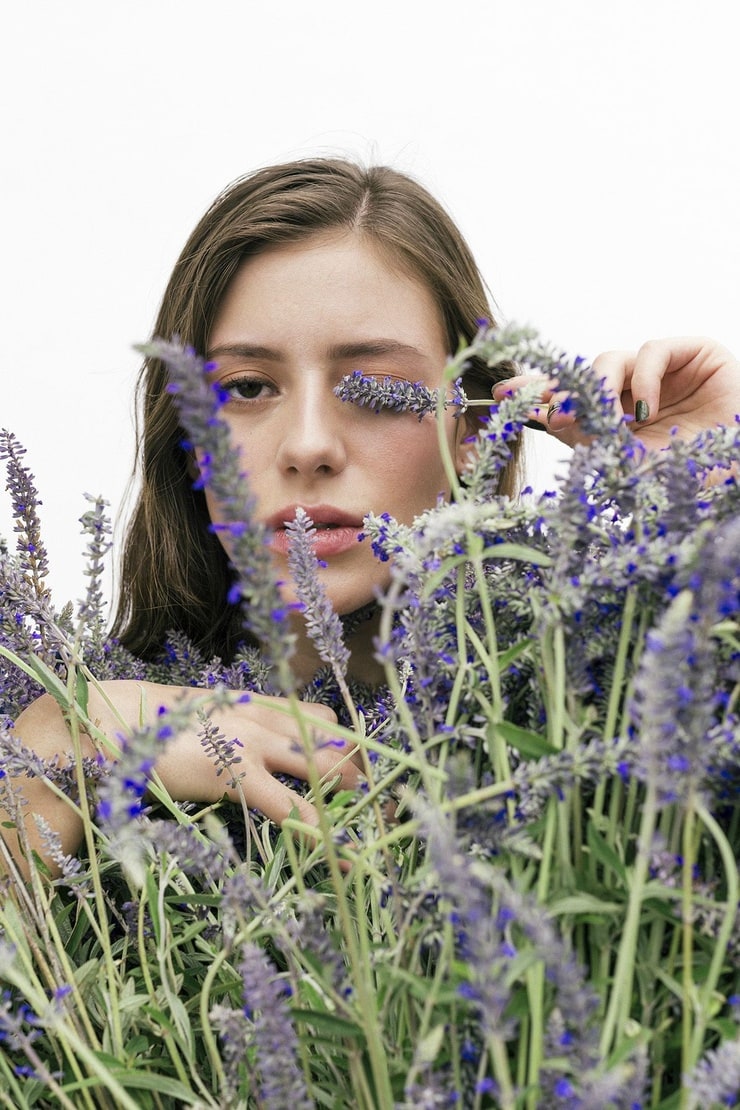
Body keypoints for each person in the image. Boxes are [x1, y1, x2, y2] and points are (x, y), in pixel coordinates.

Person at [2, 158, 739, 879]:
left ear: (475, 429)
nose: (310, 445)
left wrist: (716, 500)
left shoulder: (625, 714)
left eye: (377, 389)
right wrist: (52, 747)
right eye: (250, 386)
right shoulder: (65, 725)